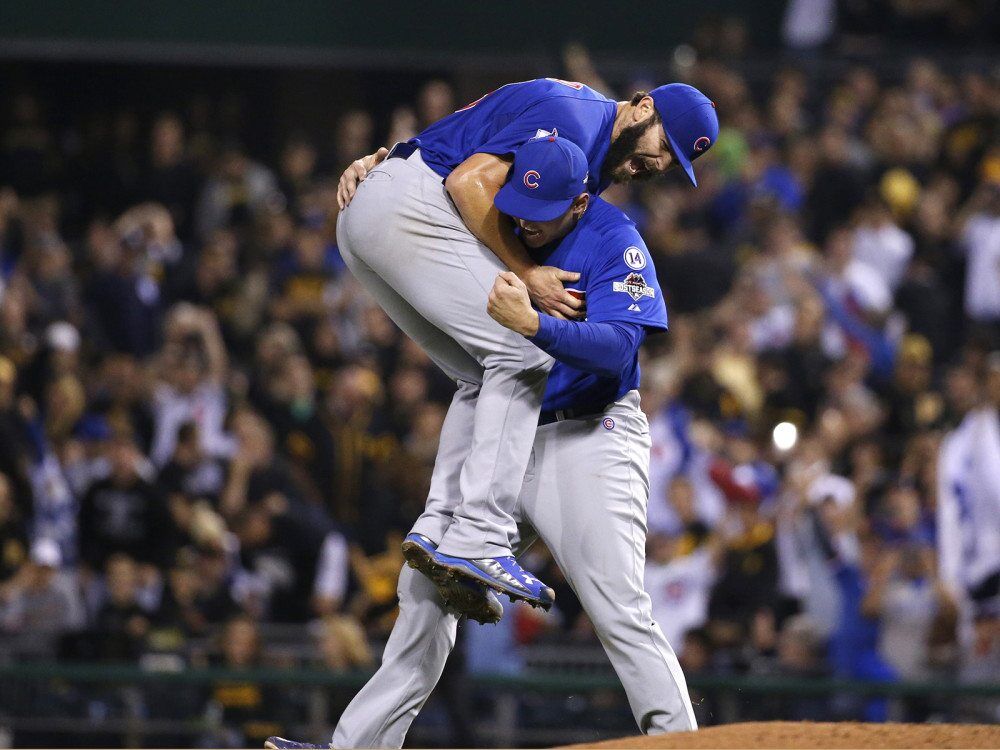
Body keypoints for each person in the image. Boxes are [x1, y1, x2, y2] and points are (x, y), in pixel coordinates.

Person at [268, 135, 697, 750]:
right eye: (522, 202)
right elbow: (444, 158)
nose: (526, 221)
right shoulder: (500, 214)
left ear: (579, 204)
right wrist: (384, 160)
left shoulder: (614, 241)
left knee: (617, 608)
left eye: (544, 211)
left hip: (588, 435)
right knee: (425, 592)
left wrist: (537, 325)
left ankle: (680, 741)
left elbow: (620, 350)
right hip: (505, 425)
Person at [334, 77, 717, 613]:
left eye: (674, 163)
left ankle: (437, 529)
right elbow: (468, 183)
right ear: (643, 107)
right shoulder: (579, 123)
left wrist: (390, 159)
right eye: (664, 146)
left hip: (379, 207)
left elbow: (460, 140)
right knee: (523, 347)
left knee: (482, 368)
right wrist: (527, 270)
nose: (659, 165)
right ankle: (480, 538)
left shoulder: (588, 138)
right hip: (405, 205)